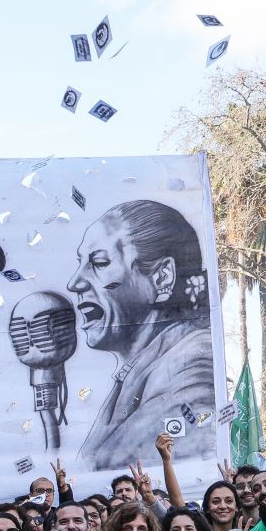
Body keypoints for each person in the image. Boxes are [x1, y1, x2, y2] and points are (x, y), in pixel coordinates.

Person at [71, 200, 215, 468]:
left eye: (99, 262)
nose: (75, 283)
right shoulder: (141, 369)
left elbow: (125, 465)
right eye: (80, 264)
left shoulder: (192, 364)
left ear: (162, 278)